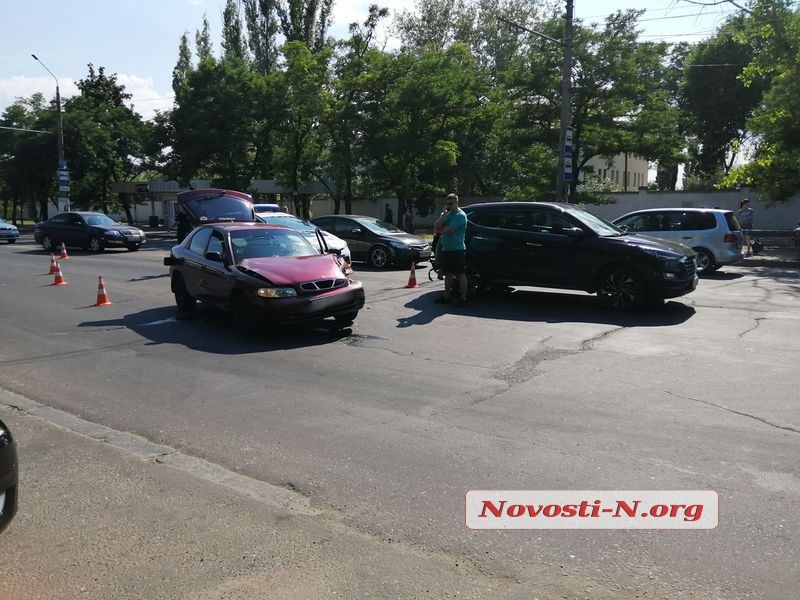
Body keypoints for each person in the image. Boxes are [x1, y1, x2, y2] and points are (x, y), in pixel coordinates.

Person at [433, 193, 468, 307]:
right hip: (446, 248)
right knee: (448, 274)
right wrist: (443, 215)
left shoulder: (460, 215)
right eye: (447, 203)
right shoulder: (447, 214)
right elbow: (436, 226)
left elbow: (449, 229)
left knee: (460, 274)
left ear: (457, 203)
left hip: (457, 249)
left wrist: (441, 229)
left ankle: (463, 298)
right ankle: (446, 296)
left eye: (451, 203)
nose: (448, 205)